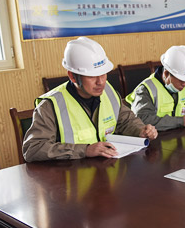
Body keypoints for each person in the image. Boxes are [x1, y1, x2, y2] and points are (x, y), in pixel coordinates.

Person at [23, 37, 157, 162]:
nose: (101, 82)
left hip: (108, 169)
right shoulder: (50, 105)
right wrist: (84, 150)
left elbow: (126, 121)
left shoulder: (109, 92)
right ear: (73, 76)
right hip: (70, 175)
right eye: (92, 76)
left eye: (103, 74)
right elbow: (33, 149)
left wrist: (141, 130)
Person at [126, 45, 185, 130]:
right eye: (181, 79)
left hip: (178, 137)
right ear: (166, 74)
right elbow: (143, 119)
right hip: (154, 139)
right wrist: (181, 121)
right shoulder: (146, 90)